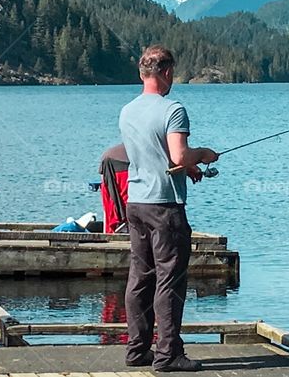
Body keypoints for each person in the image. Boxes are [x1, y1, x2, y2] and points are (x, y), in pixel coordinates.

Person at [119, 46, 218, 372]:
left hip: (136, 203)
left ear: (140, 73)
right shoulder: (173, 109)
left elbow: (151, 154)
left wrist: (184, 166)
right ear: (166, 72)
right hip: (165, 206)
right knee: (170, 281)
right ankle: (168, 354)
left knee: (140, 278)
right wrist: (201, 154)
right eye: (172, 72)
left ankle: (136, 351)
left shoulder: (127, 111)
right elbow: (178, 155)